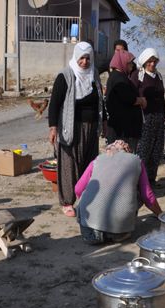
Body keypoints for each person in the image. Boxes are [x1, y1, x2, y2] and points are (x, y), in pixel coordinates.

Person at [48, 42, 105, 218]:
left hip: (91, 127)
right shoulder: (65, 76)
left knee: (89, 164)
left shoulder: (94, 74)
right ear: (75, 57)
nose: (85, 62)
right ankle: (67, 202)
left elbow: (100, 100)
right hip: (70, 127)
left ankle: (86, 197)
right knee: (69, 164)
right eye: (82, 58)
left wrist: (103, 122)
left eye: (88, 58)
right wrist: (53, 128)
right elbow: (54, 104)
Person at [75, 140, 162, 245]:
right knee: (136, 193)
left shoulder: (97, 160)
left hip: (88, 231)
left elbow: (78, 189)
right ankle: (118, 232)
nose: (119, 142)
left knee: (88, 192)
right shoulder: (137, 161)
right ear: (129, 151)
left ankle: (100, 231)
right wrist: (161, 215)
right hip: (119, 231)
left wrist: (90, 203)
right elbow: (147, 196)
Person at [131, 48, 165, 184]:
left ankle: (151, 180)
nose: (152, 64)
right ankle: (139, 182)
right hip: (144, 118)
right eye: (149, 61)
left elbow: (162, 98)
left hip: (158, 117)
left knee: (157, 150)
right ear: (144, 62)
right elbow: (131, 96)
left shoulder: (158, 76)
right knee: (144, 150)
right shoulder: (137, 76)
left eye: (154, 61)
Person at [105, 50, 146, 150]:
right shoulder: (118, 78)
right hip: (123, 131)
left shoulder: (121, 76)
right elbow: (129, 98)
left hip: (126, 129)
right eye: (130, 63)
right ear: (123, 63)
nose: (132, 66)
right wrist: (141, 100)